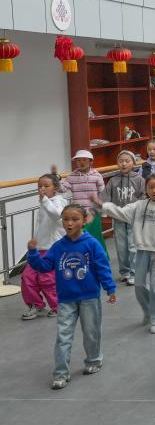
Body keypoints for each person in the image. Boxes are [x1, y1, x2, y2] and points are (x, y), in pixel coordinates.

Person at [27, 203, 116, 389]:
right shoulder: (58, 246)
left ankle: (93, 360)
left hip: (89, 297)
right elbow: (44, 266)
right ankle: (61, 373)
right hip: (66, 299)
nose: (69, 223)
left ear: (84, 221)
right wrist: (33, 253)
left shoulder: (92, 244)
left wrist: (110, 287)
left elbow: (102, 267)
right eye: (66, 219)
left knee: (91, 332)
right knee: (63, 336)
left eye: (75, 219)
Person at [95, 175, 155, 334]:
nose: (154, 190)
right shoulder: (139, 205)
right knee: (139, 285)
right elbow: (121, 213)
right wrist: (104, 206)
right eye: (151, 187)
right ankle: (150, 311)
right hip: (142, 250)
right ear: (146, 189)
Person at [20, 173, 68, 320]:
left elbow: (57, 215)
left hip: (52, 248)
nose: (42, 189)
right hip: (39, 249)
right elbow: (41, 225)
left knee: (47, 280)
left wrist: (45, 200)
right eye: (40, 186)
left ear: (56, 188)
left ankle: (57, 306)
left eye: (46, 186)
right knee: (27, 277)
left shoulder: (60, 201)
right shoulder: (44, 202)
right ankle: (36, 305)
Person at [53, 150, 107, 251]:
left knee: (95, 237)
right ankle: (82, 257)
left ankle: (99, 257)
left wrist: (102, 211)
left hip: (93, 213)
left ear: (91, 162)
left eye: (84, 160)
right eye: (78, 160)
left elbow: (103, 194)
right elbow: (62, 189)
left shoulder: (97, 175)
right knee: (80, 237)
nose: (81, 162)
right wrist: (55, 177)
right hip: (78, 214)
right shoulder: (72, 176)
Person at [103, 152, 143, 286]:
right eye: (121, 161)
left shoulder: (139, 179)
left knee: (133, 245)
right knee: (121, 247)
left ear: (133, 163)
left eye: (127, 161)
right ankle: (125, 272)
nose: (124, 164)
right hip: (118, 218)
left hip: (134, 218)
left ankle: (134, 273)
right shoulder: (113, 181)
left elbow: (144, 196)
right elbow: (105, 197)